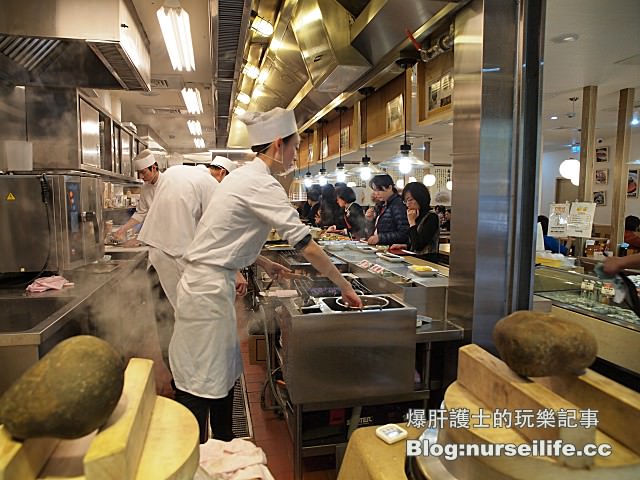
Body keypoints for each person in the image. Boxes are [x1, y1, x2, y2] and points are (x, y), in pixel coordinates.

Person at [171, 107, 362, 443]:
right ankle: (194, 456)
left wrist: (265, 263)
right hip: (207, 290)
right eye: (295, 146)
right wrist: (344, 285)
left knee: (219, 376)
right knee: (200, 383)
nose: (295, 152)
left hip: (209, 283)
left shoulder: (241, 178)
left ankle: (226, 447)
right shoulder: (262, 183)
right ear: (278, 144)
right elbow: (307, 245)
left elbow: (225, 236)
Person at [137, 164, 221, 398]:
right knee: (180, 326)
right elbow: (217, 232)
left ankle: (179, 379)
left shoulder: (175, 172)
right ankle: (186, 383)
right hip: (172, 262)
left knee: (165, 323)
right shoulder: (210, 185)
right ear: (221, 174)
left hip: (154, 262)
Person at [114, 150, 163, 241]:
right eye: (138, 173)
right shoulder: (145, 187)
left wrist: (139, 239)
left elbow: (164, 218)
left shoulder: (166, 184)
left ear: (153, 168)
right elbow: (141, 213)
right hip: (154, 238)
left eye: (143, 172)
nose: (140, 177)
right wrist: (123, 229)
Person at [390, 182, 440, 262]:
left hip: (427, 263)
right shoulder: (416, 215)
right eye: (405, 201)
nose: (407, 204)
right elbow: (414, 241)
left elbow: (419, 246)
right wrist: (405, 246)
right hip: (414, 261)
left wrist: (412, 222)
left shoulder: (432, 217)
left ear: (420, 198)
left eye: (410, 200)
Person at [366, 174, 409, 246]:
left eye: (379, 190)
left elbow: (404, 233)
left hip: (393, 250)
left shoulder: (398, 204)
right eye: (374, 190)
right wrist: (370, 221)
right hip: (381, 248)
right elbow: (375, 231)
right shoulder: (381, 205)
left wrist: (380, 238)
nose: (376, 193)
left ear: (390, 187)